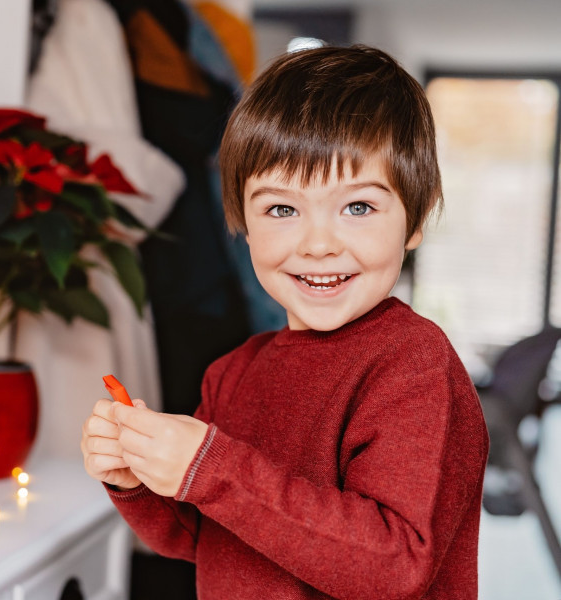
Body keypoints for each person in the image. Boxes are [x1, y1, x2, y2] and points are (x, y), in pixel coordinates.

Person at [80, 45, 489, 599]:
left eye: (358, 207)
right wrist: (138, 481)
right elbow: (205, 538)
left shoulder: (413, 365)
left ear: (414, 218)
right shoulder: (231, 374)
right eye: (282, 209)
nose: (318, 244)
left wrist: (210, 469)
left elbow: (395, 565)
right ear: (243, 225)